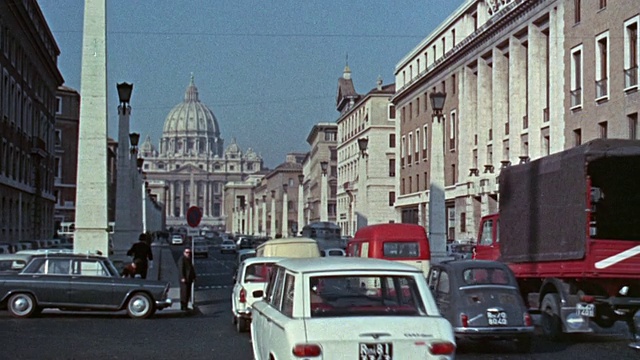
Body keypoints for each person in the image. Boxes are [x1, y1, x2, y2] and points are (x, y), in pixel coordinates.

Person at [178, 247, 197, 311]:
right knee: (184, 293)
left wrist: (194, 277)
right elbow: (181, 269)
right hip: (184, 279)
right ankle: (183, 306)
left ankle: (185, 306)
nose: (188, 254)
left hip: (189, 279)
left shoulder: (189, 259)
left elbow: (191, 269)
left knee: (188, 293)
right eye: (187, 252)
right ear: (184, 252)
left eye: (189, 252)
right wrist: (182, 277)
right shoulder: (182, 259)